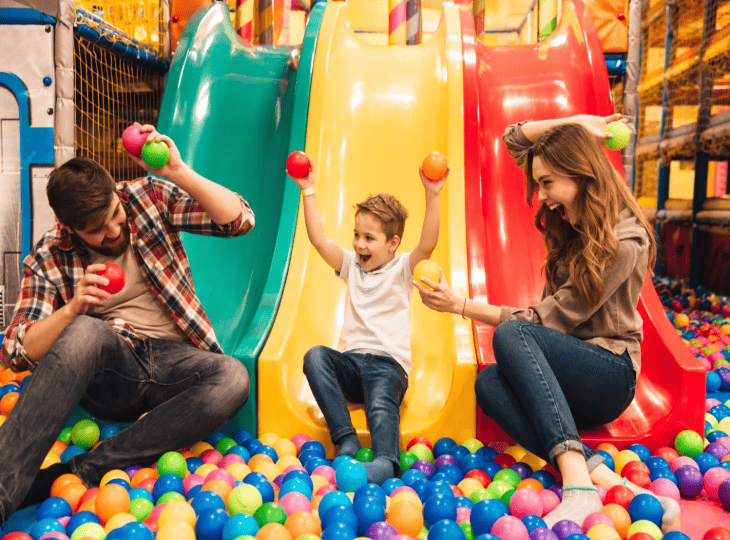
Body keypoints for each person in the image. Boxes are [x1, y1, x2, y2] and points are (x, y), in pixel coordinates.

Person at [414, 114, 680, 532]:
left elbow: (547, 321)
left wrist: (460, 305)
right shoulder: (574, 222)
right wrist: (577, 123)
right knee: (488, 384)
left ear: (580, 175)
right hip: (566, 376)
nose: (541, 196)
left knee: (512, 333)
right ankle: (600, 475)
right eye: (538, 184)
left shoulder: (625, 241)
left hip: (610, 374)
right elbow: (514, 138)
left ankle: (576, 483)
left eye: (548, 184)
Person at [0, 125, 255, 524]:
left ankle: (86, 470)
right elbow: (15, 351)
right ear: (69, 228)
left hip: (177, 364)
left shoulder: (147, 197)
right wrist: (71, 310)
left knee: (233, 377)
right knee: (84, 330)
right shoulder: (49, 256)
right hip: (115, 371)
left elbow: (240, 220)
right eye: (97, 230)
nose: (114, 231)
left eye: (115, 216)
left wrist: (177, 171)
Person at [289, 159, 446, 485]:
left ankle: (386, 461)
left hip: (387, 366)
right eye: (357, 235)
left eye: (369, 238)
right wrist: (309, 191)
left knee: (380, 406)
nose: (360, 244)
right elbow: (319, 241)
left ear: (392, 244)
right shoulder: (351, 266)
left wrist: (433, 196)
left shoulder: (402, 268)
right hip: (350, 364)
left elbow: (427, 244)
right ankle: (344, 438)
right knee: (315, 357)